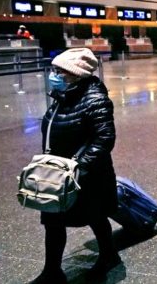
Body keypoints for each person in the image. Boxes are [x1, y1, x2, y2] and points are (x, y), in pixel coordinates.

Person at [32, 48, 121, 283]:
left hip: (87, 176)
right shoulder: (63, 96)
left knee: (96, 217)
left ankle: (109, 256)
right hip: (57, 172)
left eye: (59, 72)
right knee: (52, 221)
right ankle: (52, 271)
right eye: (54, 70)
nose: (54, 75)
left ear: (75, 74)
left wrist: (79, 167)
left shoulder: (95, 99)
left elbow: (104, 139)